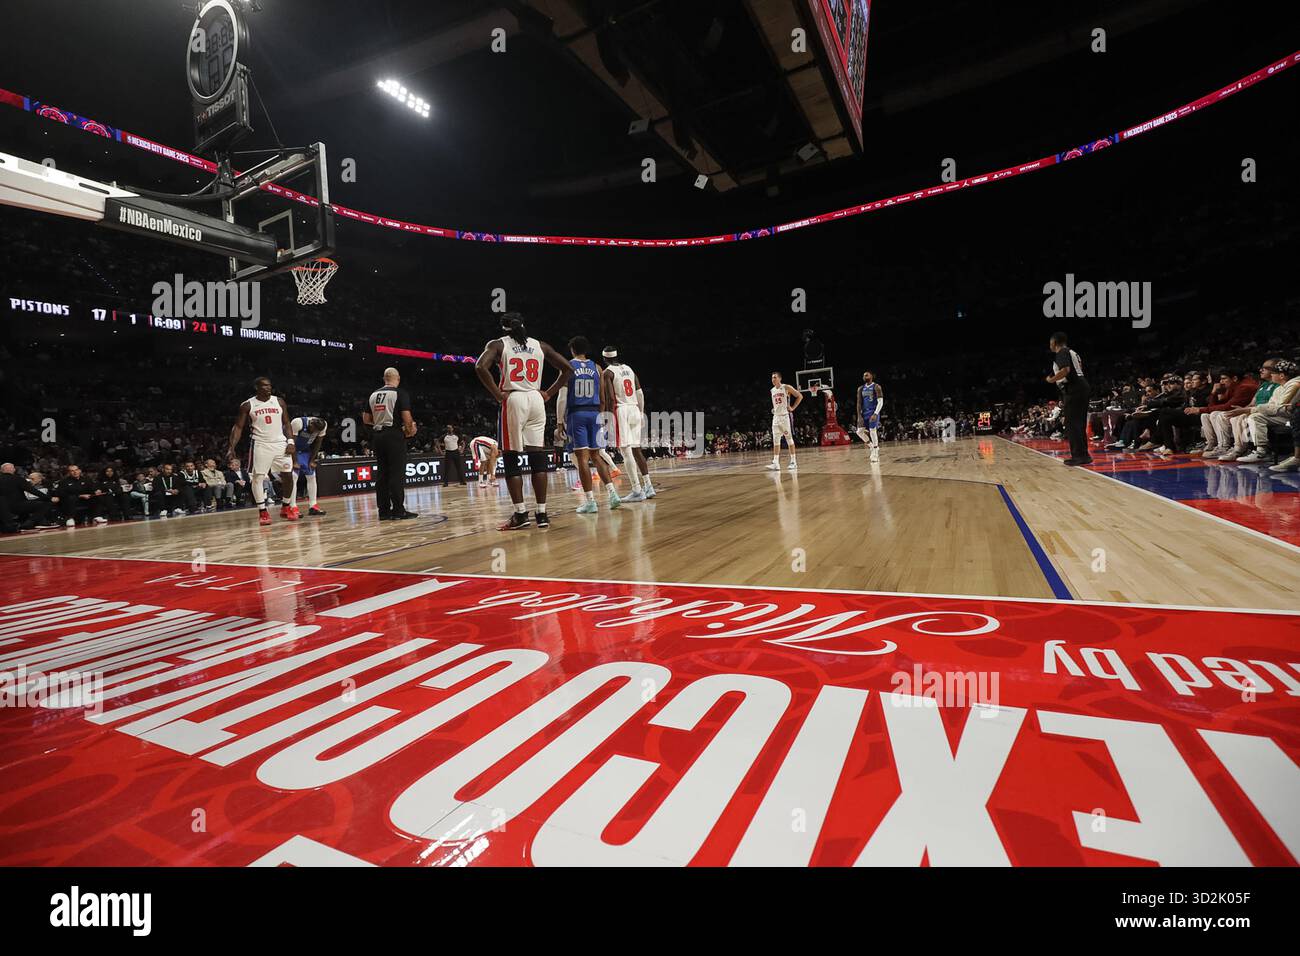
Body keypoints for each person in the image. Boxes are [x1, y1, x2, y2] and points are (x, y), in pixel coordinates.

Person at [475, 312, 571, 530]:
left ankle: (520, 514)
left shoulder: (498, 344)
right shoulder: (541, 345)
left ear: (504, 328)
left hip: (514, 397)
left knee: (511, 458)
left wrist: (497, 395)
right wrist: (549, 393)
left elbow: (480, 366)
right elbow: (567, 369)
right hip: (537, 399)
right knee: (537, 458)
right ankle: (542, 514)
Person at [555, 336, 621, 514]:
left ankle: (590, 501)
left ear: (572, 350)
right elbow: (602, 395)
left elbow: (562, 398)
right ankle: (613, 494)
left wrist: (559, 422)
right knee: (597, 456)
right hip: (595, 413)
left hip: (577, 414)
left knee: (582, 459)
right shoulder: (598, 367)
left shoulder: (568, 367)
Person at [228, 376, 298, 527]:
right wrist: (231, 447)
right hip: (260, 444)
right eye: (264, 386)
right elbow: (238, 427)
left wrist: (291, 441)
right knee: (258, 478)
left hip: (280, 443)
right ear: (257, 388)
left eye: (269, 385)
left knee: (288, 475)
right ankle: (263, 511)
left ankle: (286, 507)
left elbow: (286, 423)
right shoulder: (248, 405)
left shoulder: (279, 401)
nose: (268, 388)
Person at [364, 367, 418, 520]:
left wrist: (380, 421)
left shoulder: (373, 394)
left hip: (378, 436)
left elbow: (366, 419)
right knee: (396, 474)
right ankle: (399, 510)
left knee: (382, 475)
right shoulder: (400, 393)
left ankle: (384, 511)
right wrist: (409, 431)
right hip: (394, 435)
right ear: (398, 378)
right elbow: (407, 418)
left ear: (384, 379)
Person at [600, 346, 648, 500]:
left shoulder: (607, 372)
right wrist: (641, 412)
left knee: (626, 451)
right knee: (636, 449)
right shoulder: (629, 368)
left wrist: (607, 416)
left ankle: (637, 490)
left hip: (621, 410)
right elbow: (640, 392)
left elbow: (610, 398)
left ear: (605, 359)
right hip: (634, 408)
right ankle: (648, 486)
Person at [1044, 332, 1091, 465]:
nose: (1050, 345)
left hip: (1074, 389)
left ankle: (1079, 456)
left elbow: (1065, 370)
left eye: (1050, 342)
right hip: (1082, 386)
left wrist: (1052, 380)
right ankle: (1084, 455)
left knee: (1072, 424)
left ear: (1054, 343)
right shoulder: (1072, 352)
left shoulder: (1062, 352)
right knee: (1079, 423)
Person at [0, 463, 57, 532]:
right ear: (12, 470)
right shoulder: (17, 478)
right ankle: (28, 524)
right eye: (14, 468)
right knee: (45, 504)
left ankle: (23, 523)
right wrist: (49, 498)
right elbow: (32, 491)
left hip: (3, 509)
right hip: (17, 506)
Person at [289, 416, 329, 516]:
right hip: (291, 450)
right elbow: (291, 442)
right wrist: (294, 461)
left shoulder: (323, 426)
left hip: (305, 451)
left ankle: (313, 506)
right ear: (310, 424)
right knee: (293, 477)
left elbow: (318, 443)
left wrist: (312, 460)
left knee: (312, 476)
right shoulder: (298, 423)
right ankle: (292, 507)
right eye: (313, 430)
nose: (313, 433)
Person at [766, 372, 803, 471]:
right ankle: (776, 463)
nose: (773, 379)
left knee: (789, 439)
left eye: (775, 377)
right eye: (772, 378)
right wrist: (774, 409)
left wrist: (793, 407)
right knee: (776, 440)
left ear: (780, 378)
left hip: (785, 417)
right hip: (776, 417)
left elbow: (800, 396)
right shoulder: (772, 390)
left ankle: (793, 462)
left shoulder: (786, 387)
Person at [855, 371, 884, 462]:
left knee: (872, 430)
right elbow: (859, 403)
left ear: (871, 376)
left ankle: (875, 452)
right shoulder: (860, 388)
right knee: (859, 432)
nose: (865, 376)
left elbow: (880, 401)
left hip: (873, 412)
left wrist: (875, 413)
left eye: (866, 374)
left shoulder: (876, 387)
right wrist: (859, 416)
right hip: (864, 413)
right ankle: (871, 446)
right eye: (863, 375)